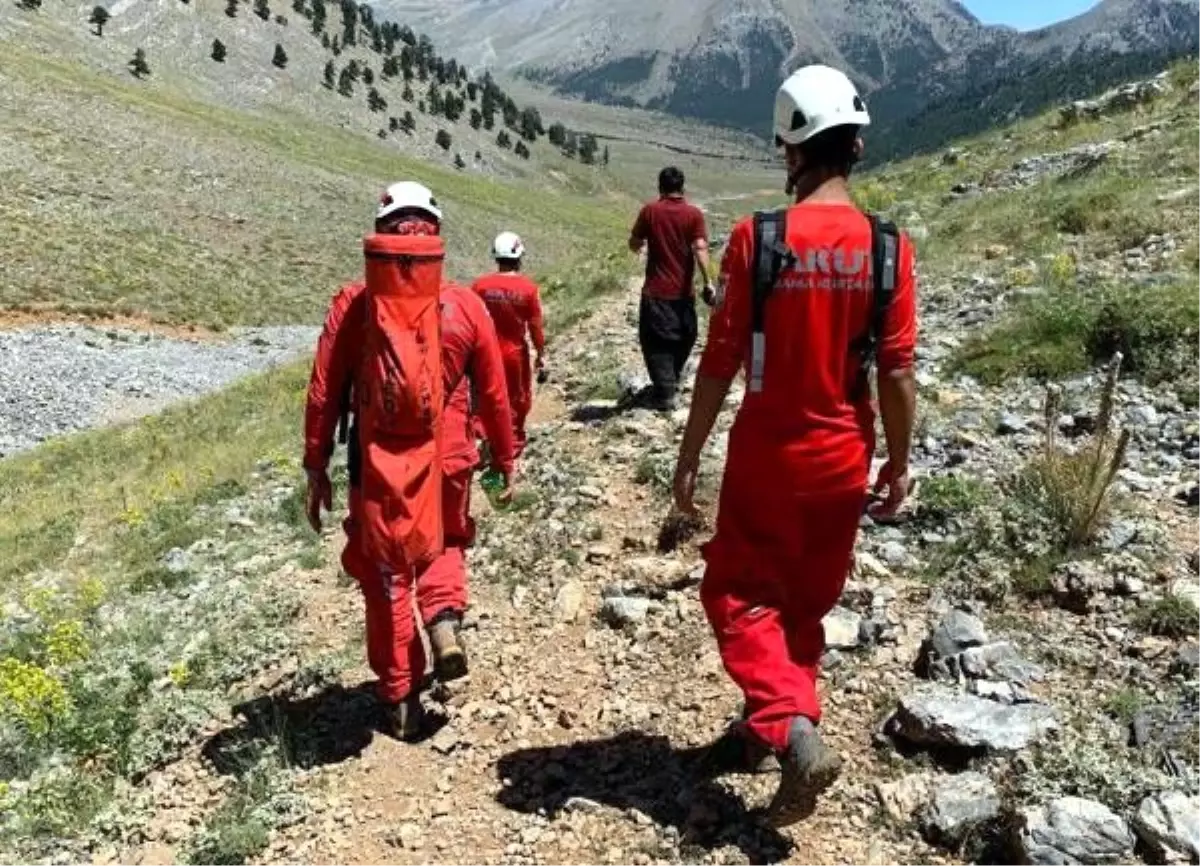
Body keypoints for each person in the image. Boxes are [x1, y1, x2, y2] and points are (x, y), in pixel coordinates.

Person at [672, 66, 918, 826]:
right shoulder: (888, 248)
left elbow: (718, 363)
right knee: (805, 605)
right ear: (857, 145)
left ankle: (793, 732)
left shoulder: (759, 239)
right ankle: (763, 732)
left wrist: (688, 458)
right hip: (845, 456)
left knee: (737, 594)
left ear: (791, 147)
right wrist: (900, 462)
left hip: (767, 456)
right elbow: (898, 373)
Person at [303, 181, 517, 740]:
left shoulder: (354, 306)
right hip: (447, 456)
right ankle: (444, 619)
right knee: (444, 541)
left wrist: (315, 464)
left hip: (377, 464)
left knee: (388, 576)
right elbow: (493, 394)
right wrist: (505, 456)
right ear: (436, 237)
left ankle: (400, 695)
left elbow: (325, 391)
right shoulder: (466, 305)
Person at [628, 166, 714, 411]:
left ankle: (665, 390)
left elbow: (635, 243)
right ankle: (669, 383)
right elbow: (700, 247)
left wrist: (639, 247)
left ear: (660, 187)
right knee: (685, 336)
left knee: (654, 340)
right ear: (682, 187)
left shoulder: (650, 212)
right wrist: (708, 280)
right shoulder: (693, 214)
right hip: (683, 293)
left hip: (656, 291)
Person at [471, 231, 546, 457]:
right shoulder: (528, 289)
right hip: (514, 353)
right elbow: (535, 327)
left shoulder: (480, 286)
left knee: (484, 395)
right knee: (517, 398)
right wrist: (541, 353)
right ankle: (510, 445)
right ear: (519, 256)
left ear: (496, 257)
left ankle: (483, 439)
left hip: (484, 352)